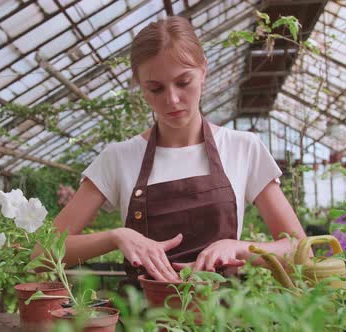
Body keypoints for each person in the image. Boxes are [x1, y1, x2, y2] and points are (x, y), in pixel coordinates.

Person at [40, 16, 306, 283]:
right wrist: (117, 236)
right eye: (155, 88)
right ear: (140, 87)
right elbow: (41, 254)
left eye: (183, 82)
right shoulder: (119, 157)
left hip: (222, 319)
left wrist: (239, 247)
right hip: (143, 319)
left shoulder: (242, 147)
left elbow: (299, 250)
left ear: (204, 71)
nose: (172, 99)